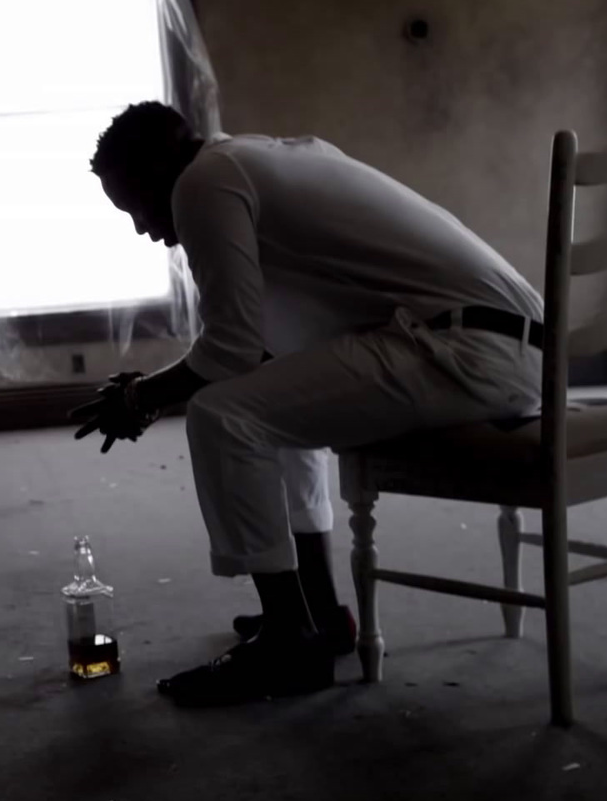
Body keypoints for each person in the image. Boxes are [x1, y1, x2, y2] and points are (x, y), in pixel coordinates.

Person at [73, 101, 545, 707]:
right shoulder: (254, 159)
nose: (141, 227)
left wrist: (141, 397)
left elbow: (228, 351)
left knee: (223, 416)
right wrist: (154, 392)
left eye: (135, 204)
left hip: (466, 349)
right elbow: (258, 353)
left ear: (161, 168)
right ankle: (320, 615)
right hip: (502, 342)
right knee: (268, 400)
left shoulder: (204, 182)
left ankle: (287, 643)